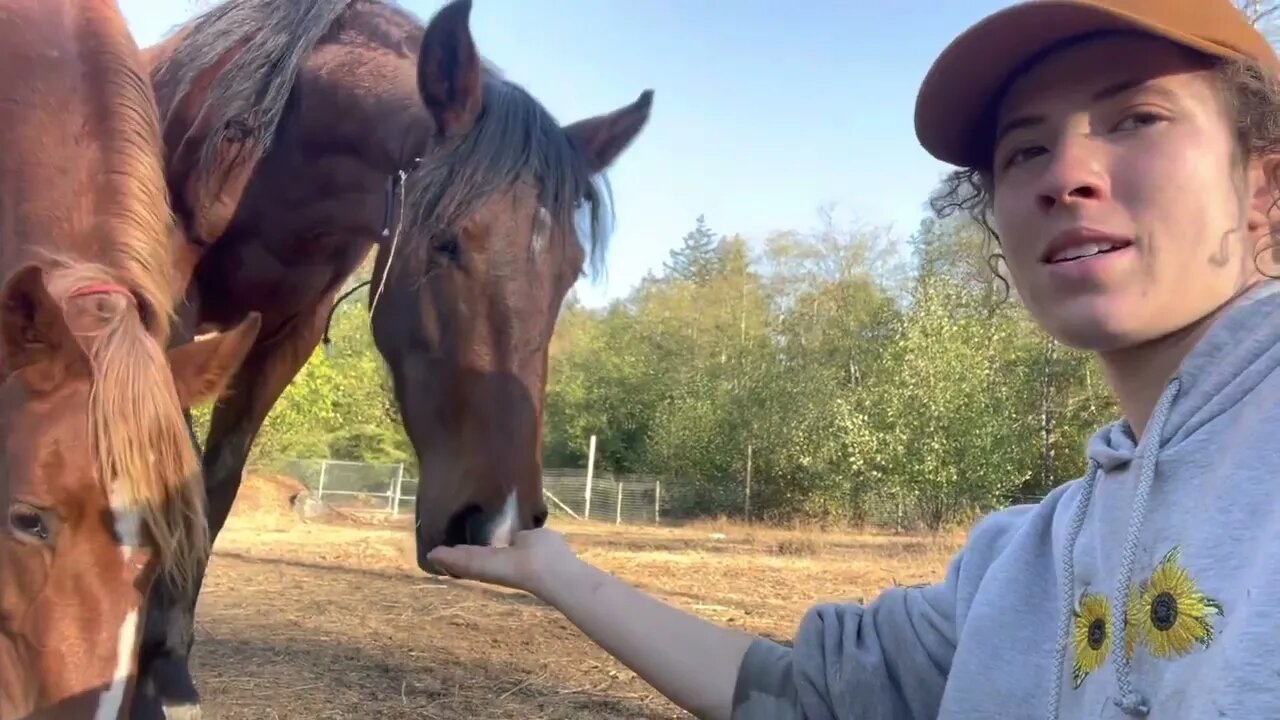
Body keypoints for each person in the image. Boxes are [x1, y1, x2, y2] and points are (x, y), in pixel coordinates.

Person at [426, 0, 1280, 717]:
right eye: (1025, 150)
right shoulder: (1025, 564)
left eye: (1137, 118)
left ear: (1263, 192)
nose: (1067, 175)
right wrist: (557, 572)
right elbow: (809, 695)